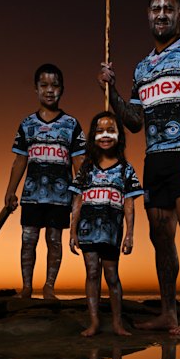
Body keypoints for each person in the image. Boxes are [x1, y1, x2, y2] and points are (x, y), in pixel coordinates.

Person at [98, 0, 180, 335]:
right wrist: (111, 90)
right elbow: (134, 122)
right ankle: (169, 313)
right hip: (155, 160)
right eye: (156, 9)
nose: (161, 14)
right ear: (148, 15)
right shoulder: (142, 68)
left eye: (168, 8)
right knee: (161, 238)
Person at [4, 63, 86, 300]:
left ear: (62, 89)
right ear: (36, 89)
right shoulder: (27, 124)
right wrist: (10, 190)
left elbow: (79, 162)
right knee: (28, 239)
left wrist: (81, 193)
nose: (50, 90)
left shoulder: (71, 124)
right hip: (32, 195)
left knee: (54, 240)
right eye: (44, 85)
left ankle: (49, 287)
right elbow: (20, 160)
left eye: (55, 85)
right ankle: (26, 287)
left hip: (60, 197)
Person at [69, 110, 143, 337]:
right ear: (93, 136)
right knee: (92, 272)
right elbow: (77, 201)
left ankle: (118, 323)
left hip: (111, 232)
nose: (105, 135)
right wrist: (72, 232)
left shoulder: (125, 169)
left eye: (111, 130)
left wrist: (130, 234)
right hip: (87, 230)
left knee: (111, 275)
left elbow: (129, 204)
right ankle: (94, 323)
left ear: (120, 136)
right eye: (99, 131)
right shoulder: (86, 168)